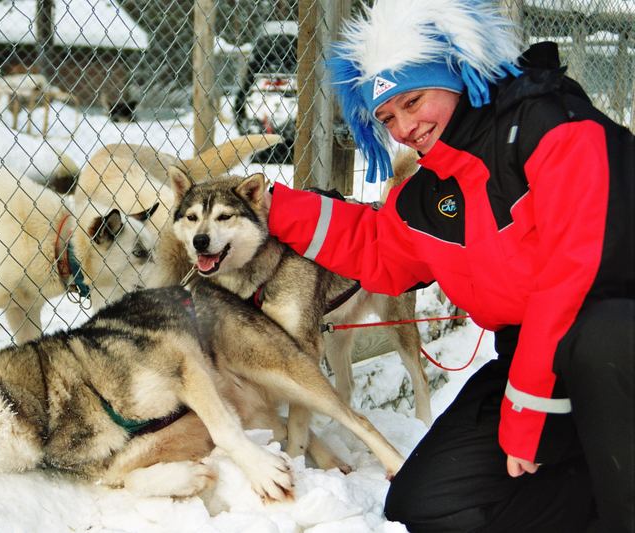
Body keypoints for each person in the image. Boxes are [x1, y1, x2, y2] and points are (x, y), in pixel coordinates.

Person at [265, 1, 634, 531]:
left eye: (413, 101)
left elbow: (575, 272)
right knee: (429, 503)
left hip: (611, 341)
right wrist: (270, 208)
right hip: (531, 360)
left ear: (456, 73)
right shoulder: (430, 192)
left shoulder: (553, 127)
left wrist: (527, 411)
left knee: (606, 337)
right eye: (387, 117)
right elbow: (376, 249)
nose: (405, 128)